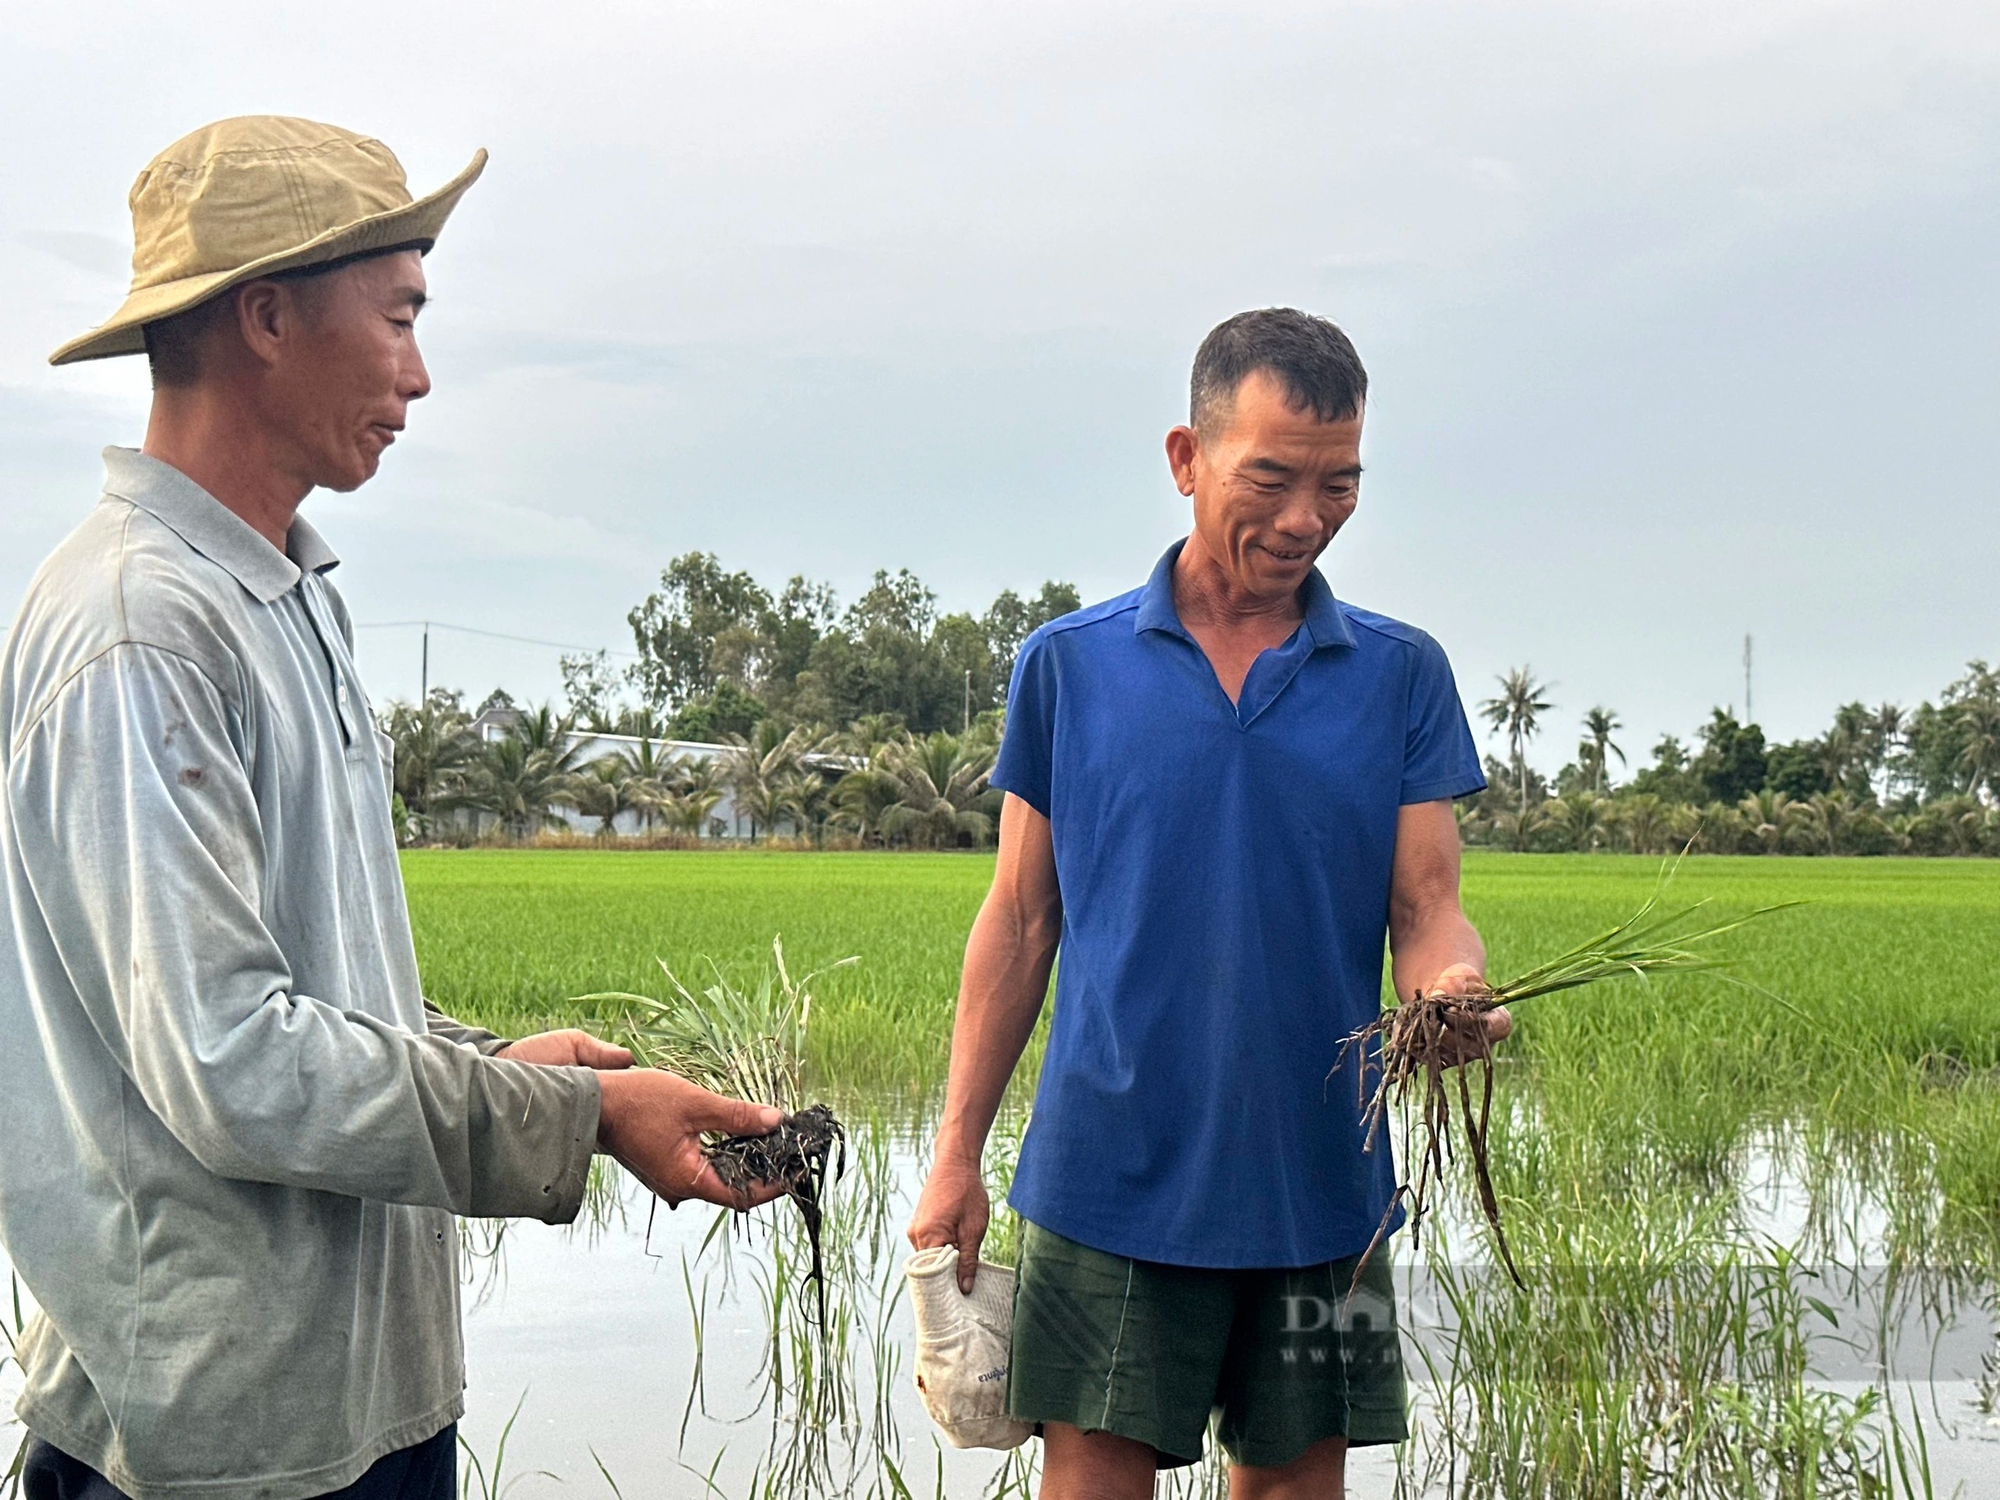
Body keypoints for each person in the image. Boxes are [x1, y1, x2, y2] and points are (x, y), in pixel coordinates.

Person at [0, 116, 784, 1500]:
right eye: (401, 316)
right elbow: (231, 1061)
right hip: (215, 1444)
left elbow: (312, 989)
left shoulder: (285, 601)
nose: (420, 375)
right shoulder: (142, 628)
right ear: (267, 319)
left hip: (349, 1397)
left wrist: (523, 1074)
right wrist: (576, 1120)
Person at [907, 308, 1511, 1499]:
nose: (1305, 519)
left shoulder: (1397, 674)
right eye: (1271, 477)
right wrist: (953, 1155)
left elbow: (1427, 909)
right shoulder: (1069, 667)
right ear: (1186, 459)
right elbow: (1022, 924)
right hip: (1107, 1178)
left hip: (1323, 1192)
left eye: (1338, 484)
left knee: (1294, 1481)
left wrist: (1449, 992)